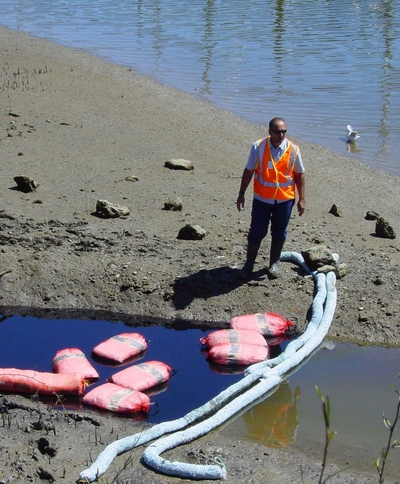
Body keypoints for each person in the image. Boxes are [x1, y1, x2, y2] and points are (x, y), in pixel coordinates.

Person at [236, 117, 305, 279]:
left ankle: (274, 263)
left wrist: (302, 199)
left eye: (284, 132)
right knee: (256, 232)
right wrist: (241, 193)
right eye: (277, 132)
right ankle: (249, 264)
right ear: (269, 131)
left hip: (285, 200)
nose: (281, 135)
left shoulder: (294, 150)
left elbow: (299, 175)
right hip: (262, 199)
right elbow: (249, 171)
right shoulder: (258, 147)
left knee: (279, 232)